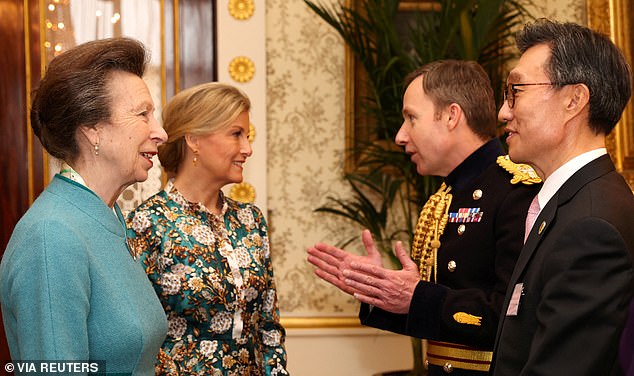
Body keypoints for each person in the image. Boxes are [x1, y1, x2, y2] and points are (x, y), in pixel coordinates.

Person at [307, 60, 540, 375]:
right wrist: (380, 289)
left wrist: (416, 296)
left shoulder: (516, 190)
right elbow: (436, 315)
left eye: (411, 118)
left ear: (451, 116)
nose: (400, 136)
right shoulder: (445, 197)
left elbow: (516, 316)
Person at [0, 38, 169, 374]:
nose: (160, 132)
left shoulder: (107, 218)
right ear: (92, 129)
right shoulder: (52, 237)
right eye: (142, 114)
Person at [490, 19, 634, 375]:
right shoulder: (571, 203)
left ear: (574, 100)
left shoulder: (591, 225)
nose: (503, 112)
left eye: (516, 91)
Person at [126, 82, 288, 375]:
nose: (247, 149)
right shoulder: (148, 223)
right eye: (236, 134)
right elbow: (136, 335)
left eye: (247, 136)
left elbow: (268, 325)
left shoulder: (251, 220)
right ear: (194, 139)